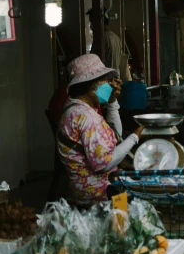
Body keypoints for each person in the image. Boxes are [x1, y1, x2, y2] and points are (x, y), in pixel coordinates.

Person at [56, 54, 144, 204]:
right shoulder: (85, 116)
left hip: (86, 187)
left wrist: (112, 102)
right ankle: (120, 226)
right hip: (100, 192)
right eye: (105, 80)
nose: (109, 85)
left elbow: (117, 134)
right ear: (93, 85)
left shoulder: (74, 109)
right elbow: (104, 162)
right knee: (124, 222)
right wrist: (135, 136)